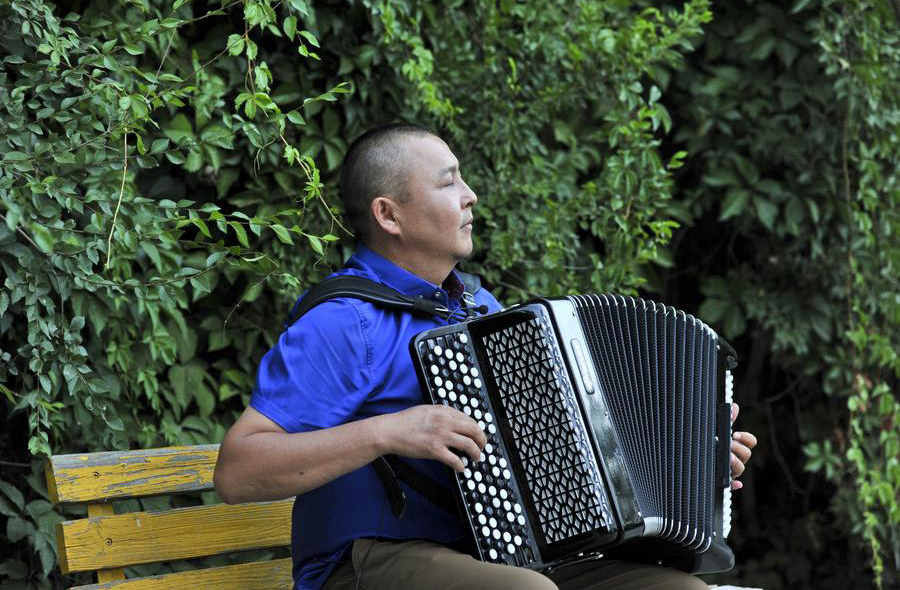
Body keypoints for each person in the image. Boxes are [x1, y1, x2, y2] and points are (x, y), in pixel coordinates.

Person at [213, 124, 758, 590]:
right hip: (363, 563)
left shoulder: (479, 310)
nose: (470, 195)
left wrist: (693, 449)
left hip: (494, 555)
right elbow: (238, 471)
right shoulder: (343, 323)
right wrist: (389, 431)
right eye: (449, 182)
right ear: (389, 214)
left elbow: (561, 446)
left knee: (678, 587)